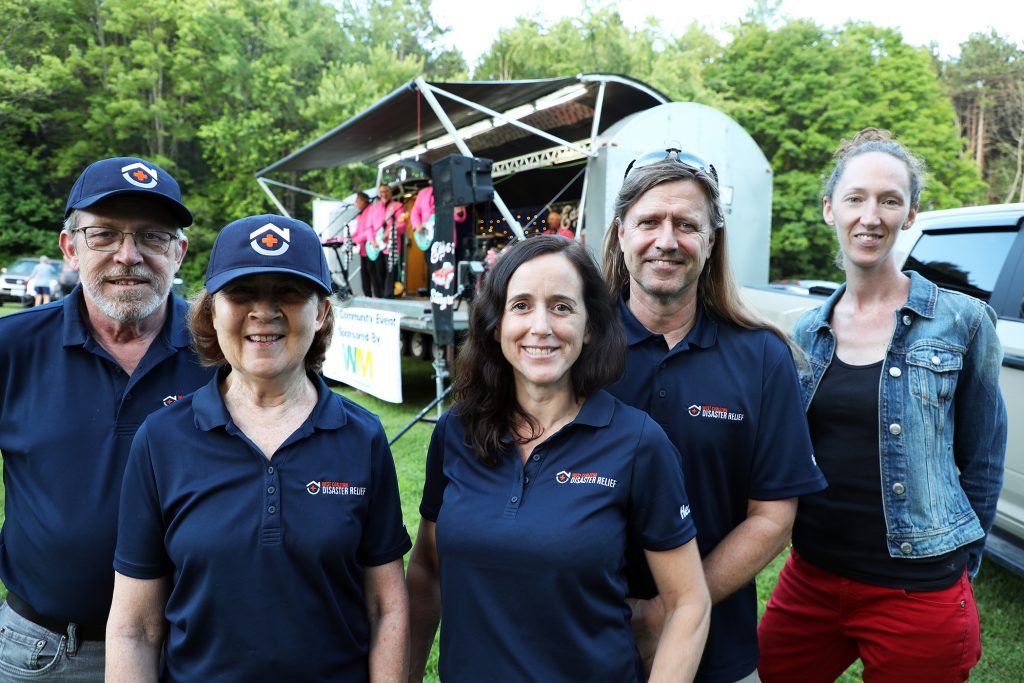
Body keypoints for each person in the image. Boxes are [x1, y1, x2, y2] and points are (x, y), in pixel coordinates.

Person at [106, 214, 412, 682]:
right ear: (210, 310)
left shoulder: (362, 437)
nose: (263, 311)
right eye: (242, 293)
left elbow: (385, 606)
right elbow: (135, 628)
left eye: (289, 293)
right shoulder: (162, 439)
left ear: (322, 312)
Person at [757, 129, 1007, 682]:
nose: (871, 215)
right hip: (813, 577)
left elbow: (983, 460)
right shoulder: (806, 330)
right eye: (856, 198)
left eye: (889, 200)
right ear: (830, 209)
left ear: (910, 213)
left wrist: (962, 564)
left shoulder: (963, 322)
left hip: (917, 588)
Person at [408, 235, 711, 683]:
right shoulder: (457, 431)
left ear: (589, 327)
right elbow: (427, 572)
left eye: (562, 307)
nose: (541, 326)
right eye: (522, 305)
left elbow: (689, 602)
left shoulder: (638, 443)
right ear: (496, 325)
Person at [602, 148, 827, 683]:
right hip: (578, 644)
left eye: (686, 224)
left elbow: (773, 518)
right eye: (649, 221)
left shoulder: (762, 357)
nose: (666, 240)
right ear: (619, 234)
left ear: (712, 241)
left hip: (716, 654)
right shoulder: (578, 347)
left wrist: (668, 612)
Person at [0, 156, 214, 681]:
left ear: (179, 253)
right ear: (70, 248)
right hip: (48, 654)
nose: (128, 255)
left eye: (152, 237)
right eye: (104, 235)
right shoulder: (12, 348)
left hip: (194, 651)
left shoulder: (220, 355)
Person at [363, 184, 407, 298]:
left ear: (390, 192)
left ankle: (388, 298)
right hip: (376, 246)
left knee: (391, 272)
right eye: (382, 192)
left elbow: (402, 225)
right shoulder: (374, 208)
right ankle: (379, 297)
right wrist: (372, 240)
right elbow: (368, 227)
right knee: (378, 273)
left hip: (390, 245)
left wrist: (390, 231)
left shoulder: (397, 206)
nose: (384, 194)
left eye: (386, 191)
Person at [348, 191, 374, 296]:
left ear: (364, 201)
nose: (355, 202)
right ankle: (368, 296)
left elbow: (367, 233)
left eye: (357, 200)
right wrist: (347, 238)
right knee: (365, 276)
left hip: (372, 250)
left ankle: (376, 298)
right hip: (363, 250)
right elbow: (358, 231)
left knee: (373, 276)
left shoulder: (371, 211)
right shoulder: (361, 214)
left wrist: (354, 240)